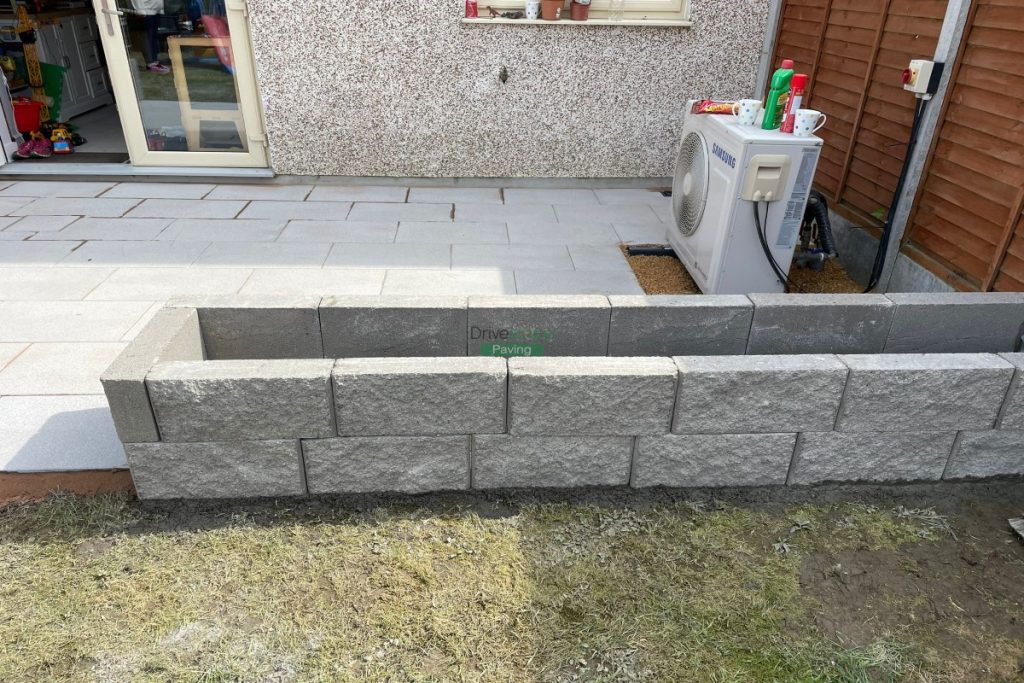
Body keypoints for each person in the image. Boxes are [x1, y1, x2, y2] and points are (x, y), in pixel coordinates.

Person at [131, 0, 170, 73]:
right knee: (147, 36)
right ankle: (150, 63)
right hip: (145, 11)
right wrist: (139, 10)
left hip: (156, 10)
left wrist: (160, 8)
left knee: (153, 37)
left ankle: (155, 62)